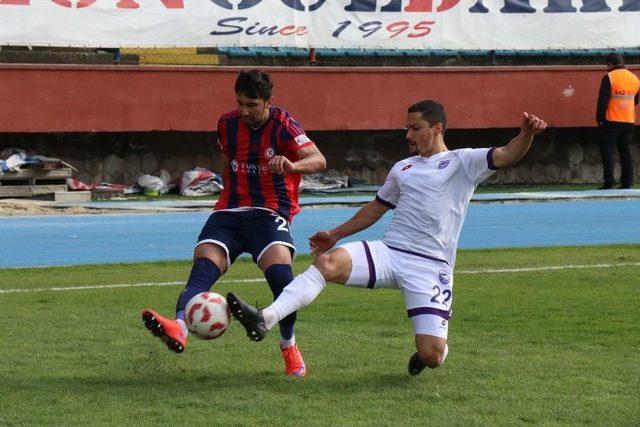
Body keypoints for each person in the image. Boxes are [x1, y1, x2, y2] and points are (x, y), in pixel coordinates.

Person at [227, 100, 547, 376]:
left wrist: (527, 134)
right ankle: (265, 319)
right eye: (406, 127)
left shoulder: (463, 161)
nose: (408, 134)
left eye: (414, 127)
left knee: (432, 356)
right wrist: (334, 235)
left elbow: (506, 154)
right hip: (390, 252)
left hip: (430, 267)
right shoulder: (403, 168)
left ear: (436, 128)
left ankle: (426, 354)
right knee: (328, 262)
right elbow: (375, 209)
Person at [142, 69, 326, 377]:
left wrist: (292, 165)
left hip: (269, 211)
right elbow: (229, 162)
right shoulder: (226, 124)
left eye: (251, 105)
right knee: (203, 266)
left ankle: (288, 346)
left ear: (269, 101)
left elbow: (318, 159)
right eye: (239, 103)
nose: (244, 111)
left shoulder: (283, 125)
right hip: (229, 211)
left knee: (282, 276)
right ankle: (179, 329)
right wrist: (227, 196)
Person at [596, 52, 639, 189]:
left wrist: (600, 119)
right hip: (628, 120)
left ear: (610, 64)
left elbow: (603, 100)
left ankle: (609, 182)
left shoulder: (609, 77)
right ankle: (628, 183)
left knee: (608, 151)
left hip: (611, 120)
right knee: (625, 151)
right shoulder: (634, 79)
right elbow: (636, 100)